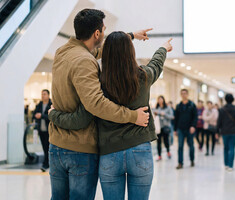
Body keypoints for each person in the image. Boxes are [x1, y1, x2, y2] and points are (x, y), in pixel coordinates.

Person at [50, 31, 173, 200]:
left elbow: (83, 115)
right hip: (140, 150)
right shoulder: (143, 76)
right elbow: (156, 64)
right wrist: (163, 48)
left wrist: (53, 114)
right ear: (131, 52)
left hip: (109, 153)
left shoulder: (99, 82)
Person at [174, 89, 198, 169]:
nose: (183, 95)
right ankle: (180, 163)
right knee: (180, 146)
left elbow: (195, 117)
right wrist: (175, 129)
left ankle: (192, 160)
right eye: (182, 94)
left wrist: (193, 126)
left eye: (185, 93)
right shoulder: (178, 106)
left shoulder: (192, 105)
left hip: (189, 129)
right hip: (180, 129)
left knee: (191, 145)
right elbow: (176, 118)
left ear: (187, 94)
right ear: (181, 95)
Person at [216, 94, 235, 172]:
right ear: (232, 100)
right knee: (232, 148)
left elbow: (219, 121)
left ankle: (226, 164)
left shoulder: (222, 109)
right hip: (234, 131)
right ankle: (230, 165)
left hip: (224, 131)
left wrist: (217, 131)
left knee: (226, 148)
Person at [32, 89, 52, 171]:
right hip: (41, 130)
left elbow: (51, 117)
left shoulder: (51, 105)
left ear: (48, 95)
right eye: (42, 94)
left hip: (49, 131)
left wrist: (42, 116)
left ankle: (47, 163)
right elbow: (34, 114)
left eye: (44, 94)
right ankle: (46, 163)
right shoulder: (39, 105)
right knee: (44, 147)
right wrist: (36, 115)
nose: (43, 96)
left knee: (48, 147)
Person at [153, 95, 174, 161]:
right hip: (158, 127)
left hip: (165, 127)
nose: (160, 101)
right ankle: (159, 156)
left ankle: (168, 152)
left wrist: (164, 114)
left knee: (166, 141)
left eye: (161, 99)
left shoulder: (167, 108)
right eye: (159, 99)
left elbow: (171, 116)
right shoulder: (157, 108)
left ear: (163, 100)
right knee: (158, 142)